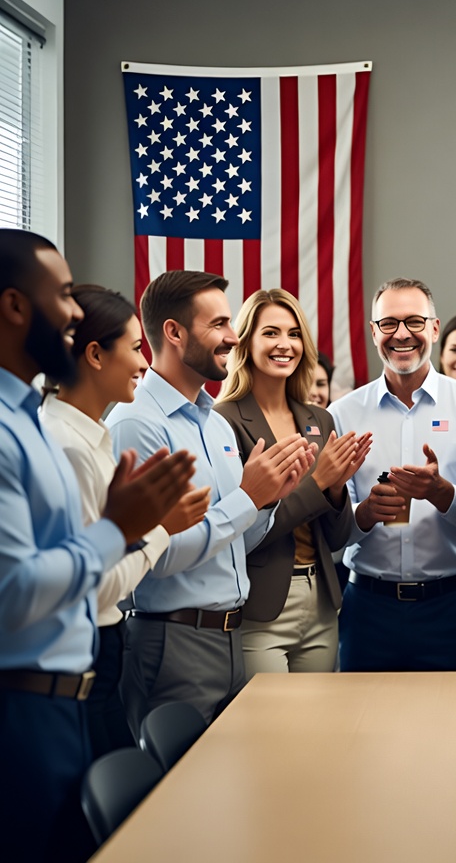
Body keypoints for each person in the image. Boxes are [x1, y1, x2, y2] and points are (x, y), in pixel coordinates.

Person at [0, 230, 194, 863]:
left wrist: (126, 525)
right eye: (61, 294)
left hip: (67, 693)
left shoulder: (29, 419)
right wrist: (125, 527)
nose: (75, 312)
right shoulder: (17, 432)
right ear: (14, 308)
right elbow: (13, 593)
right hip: (24, 705)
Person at [107, 271, 313, 728]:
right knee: (176, 791)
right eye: (218, 324)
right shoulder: (137, 424)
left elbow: (234, 538)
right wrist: (246, 497)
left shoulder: (214, 423)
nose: (233, 336)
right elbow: (159, 556)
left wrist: (268, 501)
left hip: (231, 640)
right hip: (173, 642)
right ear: (174, 333)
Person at [39, 285, 210, 757]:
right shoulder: (67, 446)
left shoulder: (88, 438)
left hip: (103, 648)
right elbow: (95, 586)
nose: (143, 363)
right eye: (135, 348)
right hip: (84, 650)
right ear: (95, 354)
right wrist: (158, 528)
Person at [329, 278, 456, 671]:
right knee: (360, 730)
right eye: (389, 323)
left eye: (415, 322)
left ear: (434, 329)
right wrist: (364, 513)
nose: (402, 334)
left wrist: (441, 493)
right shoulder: (343, 413)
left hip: (452, 609)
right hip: (367, 609)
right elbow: (330, 529)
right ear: (373, 332)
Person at [216, 289, 369, 674]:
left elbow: (335, 539)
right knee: (269, 731)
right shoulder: (224, 420)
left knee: (317, 730)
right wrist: (319, 483)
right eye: (271, 333)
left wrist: (335, 490)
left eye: (294, 333)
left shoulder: (320, 419)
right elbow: (242, 533)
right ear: (246, 340)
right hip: (261, 609)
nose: (285, 344)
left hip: (321, 603)